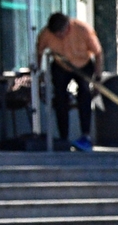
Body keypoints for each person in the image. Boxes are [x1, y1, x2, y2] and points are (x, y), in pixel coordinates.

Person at [34, 11, 101, 151]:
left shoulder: (83, 30)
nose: (60, 37)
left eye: (62, 33)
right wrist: (39, 73)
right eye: (56, 35)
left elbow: (98, 53)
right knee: (60, 97)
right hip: (61, 65)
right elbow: (39, 52)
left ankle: (86, 135)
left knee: (84, 94)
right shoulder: (46, 34)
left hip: (83, 64)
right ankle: (63, 136)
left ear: (67, 26)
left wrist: (98, 79)